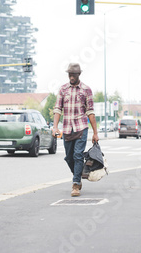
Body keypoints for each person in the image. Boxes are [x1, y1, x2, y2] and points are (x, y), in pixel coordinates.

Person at [53, 63, 99, 197]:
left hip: (81, 127)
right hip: (67, 128)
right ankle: (78, 174)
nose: (71, 77)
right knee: (68, 157)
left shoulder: (86, 90)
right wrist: (55, 127)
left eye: (73, 74)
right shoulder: (63, 89)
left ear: (79, 74)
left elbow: (90, 112)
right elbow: (57, 109)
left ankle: (76, 184)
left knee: (78, 155)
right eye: (69, 74)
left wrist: (95, 133)